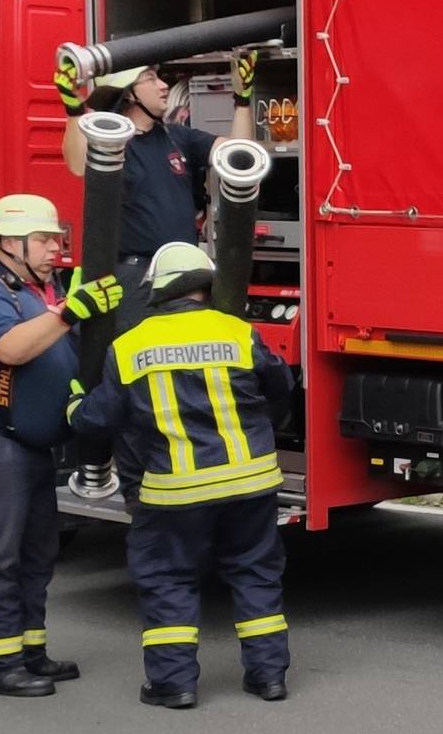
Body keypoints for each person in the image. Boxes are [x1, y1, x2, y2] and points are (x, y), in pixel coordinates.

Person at [67, 242, 297, 709]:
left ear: (157, 291)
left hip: (172, 492)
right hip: (249, 483)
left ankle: (174, 686)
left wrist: (75, 403)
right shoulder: (237, 332)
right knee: (255, 575)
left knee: (169, 580)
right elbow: (281, 385)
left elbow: (100, 418)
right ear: (204, 287)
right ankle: (268, 678)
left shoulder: (130, 345)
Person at [0, 194, 122, 697]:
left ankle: (29, 652)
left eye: (58, 238)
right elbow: (10, 348)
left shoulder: (41, 290)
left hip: (25, 447)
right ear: (10, 243)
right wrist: (69, 313)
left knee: (35, 555)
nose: (57, 247)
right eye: (45, 239)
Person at [56, 50, 260, 304]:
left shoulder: (179, 137)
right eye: (151, 79)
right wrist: (74, 111)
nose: (164, 86)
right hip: (136, 279)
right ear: (129, 92)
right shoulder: (112, 144)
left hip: (185, 276)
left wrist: (242, 100)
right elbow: (77, 165)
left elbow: (241, 156)